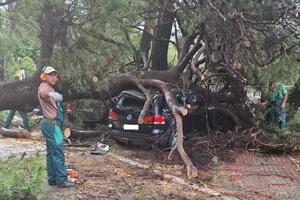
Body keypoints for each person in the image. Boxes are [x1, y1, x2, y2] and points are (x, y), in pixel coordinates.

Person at [38, 66, 75, 188]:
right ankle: (61, 180)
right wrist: (51, 93)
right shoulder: (44, 87)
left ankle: (52, 178)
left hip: (52, 125)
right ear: (44, 76)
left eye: (55, 75)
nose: (54, 77)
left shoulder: (50, 88)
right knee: (58, 152)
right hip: (52, 126)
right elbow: (43, 94)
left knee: (51, 153)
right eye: (51, 74)